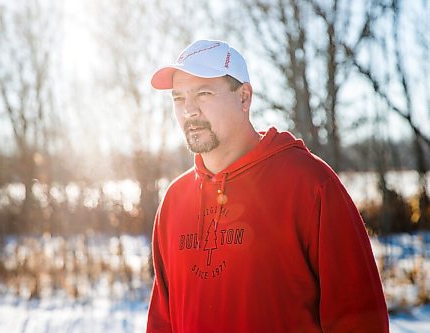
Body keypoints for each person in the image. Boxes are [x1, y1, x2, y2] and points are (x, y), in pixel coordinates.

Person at [146, 39, 389, 333]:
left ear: (244, 97)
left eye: (204, 93)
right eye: (178, 98)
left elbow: (359, 319)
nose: (189, 110)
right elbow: (162, 322)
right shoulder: (174, 201)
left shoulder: (310, 184)